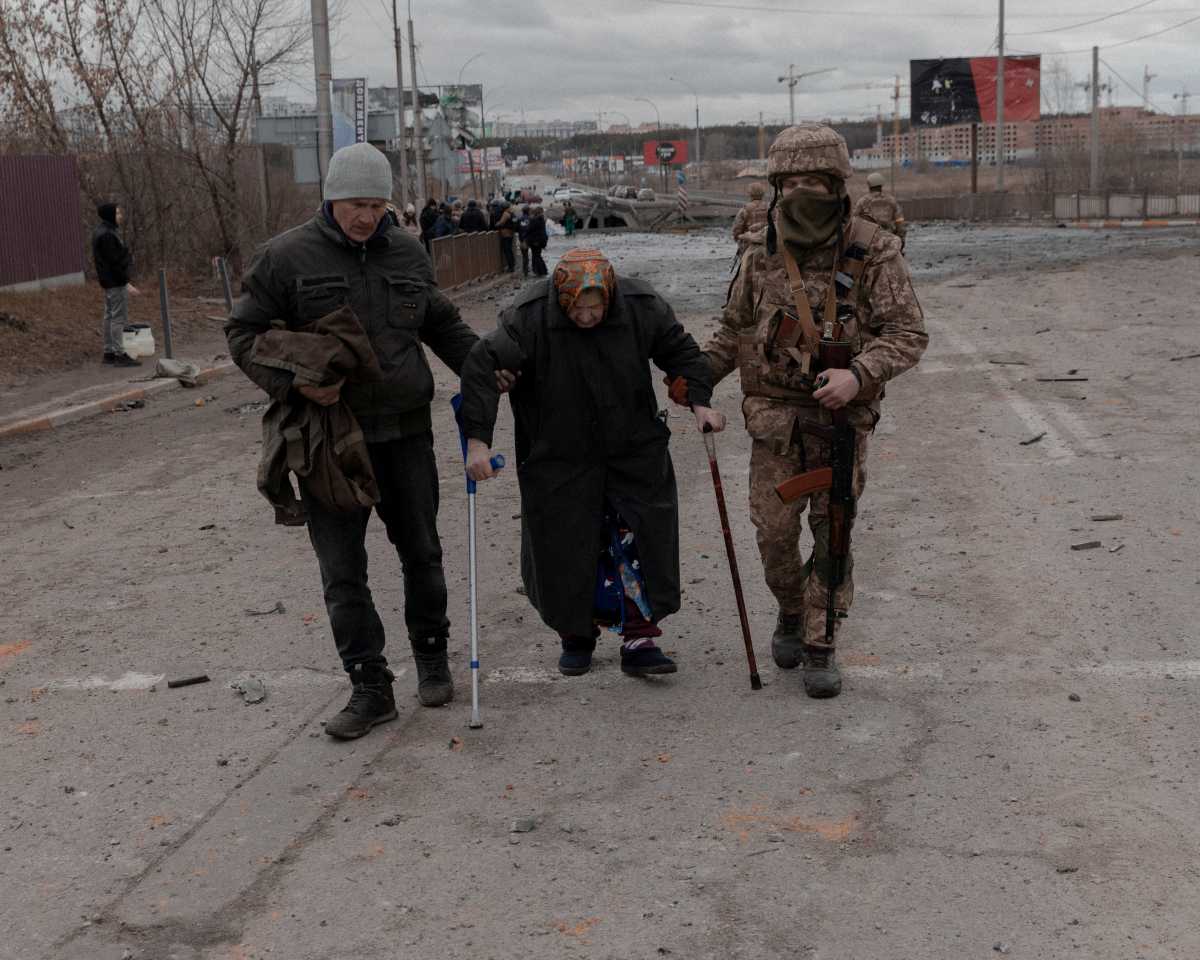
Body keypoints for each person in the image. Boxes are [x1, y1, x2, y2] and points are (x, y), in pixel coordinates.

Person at [225, 143, 482, 740]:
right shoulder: (285, 258)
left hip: (406, 434)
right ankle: (369, 686)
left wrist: (493, 366)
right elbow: (243, 333)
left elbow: (440, 324)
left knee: (422, 553)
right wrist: (291, 384)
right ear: (331, 199)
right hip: (328, 440)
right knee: (343, 570)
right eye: (355, 204)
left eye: (376, 204)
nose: (366, 216)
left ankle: (431, 655)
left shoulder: (409, 252)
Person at [702, 124, 927, 699]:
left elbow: (907, 332)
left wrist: (859, 374)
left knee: (833, 536)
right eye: (793, 182)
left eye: (815, 181)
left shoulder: (874, 249)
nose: (804, 191)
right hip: (776, 425)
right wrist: (694, 376)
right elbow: (731, 331)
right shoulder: (760, 254)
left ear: (836, 183)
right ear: (777, 188)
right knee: (774, 535)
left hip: (839, 425)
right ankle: (791, 611)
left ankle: (822, 640)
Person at [458, 248, 724, 678]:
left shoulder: (641, 307)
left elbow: (682, 352)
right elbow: (482, 365)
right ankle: (576, 635)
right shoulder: (528, 317)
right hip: (557, 454)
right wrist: (477, 443)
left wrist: (700, 403)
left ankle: (639, 635)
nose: (586, 316)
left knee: (638, 539)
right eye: (577, 308)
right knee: (565, 546)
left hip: (632, 449)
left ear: (610, 296)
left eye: (594, 306)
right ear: (561, 300)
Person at [92, 203, 141, 366]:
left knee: (109, 316)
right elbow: (114, 262)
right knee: (118, 318)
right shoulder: (108, 235)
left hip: (108, 282)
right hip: (115, 282)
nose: (121, 216)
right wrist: (126, 282)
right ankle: (119, 354)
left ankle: (109, 352)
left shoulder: (102, 231)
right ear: (110, 214)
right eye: (118, 213)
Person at [852, 172, 908, 248]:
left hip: (868, 242)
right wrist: (901, 239)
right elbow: (900, 222)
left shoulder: (862, 201)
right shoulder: (891, 201)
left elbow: (854, 221)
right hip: (889, 240)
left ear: (869, 186)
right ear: (881, 185)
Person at [731, 182, 769, 252]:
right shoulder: (771, 208)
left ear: (750, 194)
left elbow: (736, 230)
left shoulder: (744, 209)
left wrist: (738, 238)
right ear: (763, 193)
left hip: (749, 246)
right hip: (768, 245)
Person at [526, 205, 549, 276]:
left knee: (536, 256)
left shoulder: (534, 220)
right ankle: (541, 270)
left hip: (535, 241)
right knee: (537, 255)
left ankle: (540, 270)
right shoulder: (541, 219)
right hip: (541, 240)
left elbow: (529, 229)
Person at [495, 202, 517, 273]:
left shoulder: (506, 213)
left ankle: (511, 267)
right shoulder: (512, 213)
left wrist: (496, 224)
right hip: (511, 233)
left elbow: (501, 222)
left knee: (507, 250)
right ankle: (512, 265)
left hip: (506, 234)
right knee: (509, 250)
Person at [516, 204, 532, 276]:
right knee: (532, 254)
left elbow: (516, 229)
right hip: (529, 239)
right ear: (528, 211)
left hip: (522, 239)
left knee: (524, 255)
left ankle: (525, 269)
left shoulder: (519, 219)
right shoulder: (530, 219)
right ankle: (528, 269)